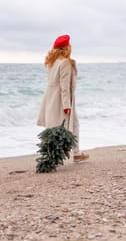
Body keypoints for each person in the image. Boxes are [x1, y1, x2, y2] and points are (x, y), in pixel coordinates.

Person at [37, 34, 89, 162]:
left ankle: (65, 154)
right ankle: (71, 154)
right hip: (61, 99)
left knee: (52, 126)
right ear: (66, 48)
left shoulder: (50, 62)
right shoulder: (65, 63)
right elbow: (64, 86)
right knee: (71, 125)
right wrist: (67, 105)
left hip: (50, 97)